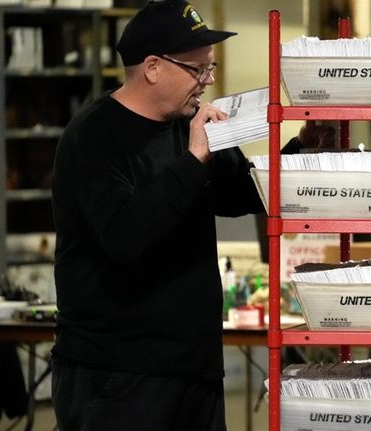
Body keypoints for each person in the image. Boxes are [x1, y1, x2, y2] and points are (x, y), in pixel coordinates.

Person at [50, 1, 332, 429]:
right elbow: (125, 237)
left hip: (194, 368)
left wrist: (301, 150)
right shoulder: (93, 137)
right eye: (198, 69)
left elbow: (244, 192)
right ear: (152, 67)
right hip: (118, 374)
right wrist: (194, 159)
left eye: (211, 68)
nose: (209, 81)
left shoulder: (190, 127)